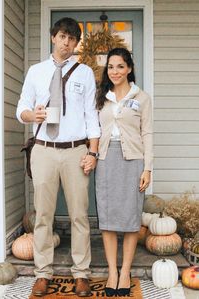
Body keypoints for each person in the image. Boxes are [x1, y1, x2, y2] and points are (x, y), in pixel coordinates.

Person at [16, 17, 100, 297]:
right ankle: (42, 274)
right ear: (53, 37)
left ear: (77, 43)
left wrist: (93, 152)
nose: (67, 43)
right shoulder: (36, 71)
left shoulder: (85, 72)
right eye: (63, 36)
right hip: (43, 150)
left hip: (76, 150)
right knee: (43, 216)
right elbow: (21, 109)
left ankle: (82, 274)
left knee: (79, 215)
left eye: (73, 39)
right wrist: (33, 115)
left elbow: (92, 116)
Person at [95, 47, 153, 297]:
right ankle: (112, 272)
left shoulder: (141, 98)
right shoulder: (102, 97)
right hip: (106, 160)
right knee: (107, 219)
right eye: (110, 67)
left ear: (129, 68)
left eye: (120, 66)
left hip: (133, 161)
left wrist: (148, 167)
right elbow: (94, 130)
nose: (115, 71)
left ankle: (126, 270)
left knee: (130, 219)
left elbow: (147, 133)